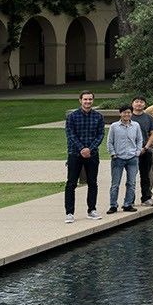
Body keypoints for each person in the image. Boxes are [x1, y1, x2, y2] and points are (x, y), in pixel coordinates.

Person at [64, 91, 104, 223]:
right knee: (71, 183)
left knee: (92, 182)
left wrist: (89, 149)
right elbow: (71, 134)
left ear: (93, 101)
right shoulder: (72, 116)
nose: (88, 102)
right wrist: (82, 148)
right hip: (75, 154)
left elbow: (100, 135)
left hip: (92, 155)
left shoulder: (98, 116)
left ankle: (91, 210)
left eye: (90, 99)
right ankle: (69, 212)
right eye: (85, 99)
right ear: (80, 100)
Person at [106, 104, 142, 214]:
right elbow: (109, 142)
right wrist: (113, 154)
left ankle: (128, 204)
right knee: (115, 183)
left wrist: (137, 152)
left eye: (129, 112)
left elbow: (139, 140)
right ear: (120, 113)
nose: (127, 114)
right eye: (124, 112)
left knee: (131, 183)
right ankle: (113, 205)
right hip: (118, 158)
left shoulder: (135, 125)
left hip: (132, 157)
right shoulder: (114, 126)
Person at [130, 97, 153, 202]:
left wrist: (146, 147)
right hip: (131, 151)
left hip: (145, 150)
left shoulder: (148, 117)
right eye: (136, 102)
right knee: (131, 177)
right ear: (132, 104)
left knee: (145, 175)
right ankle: (130, 200)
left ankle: (146, 197)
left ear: (145, 105)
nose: (139, 104)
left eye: (141, 102)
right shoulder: (128, 116)